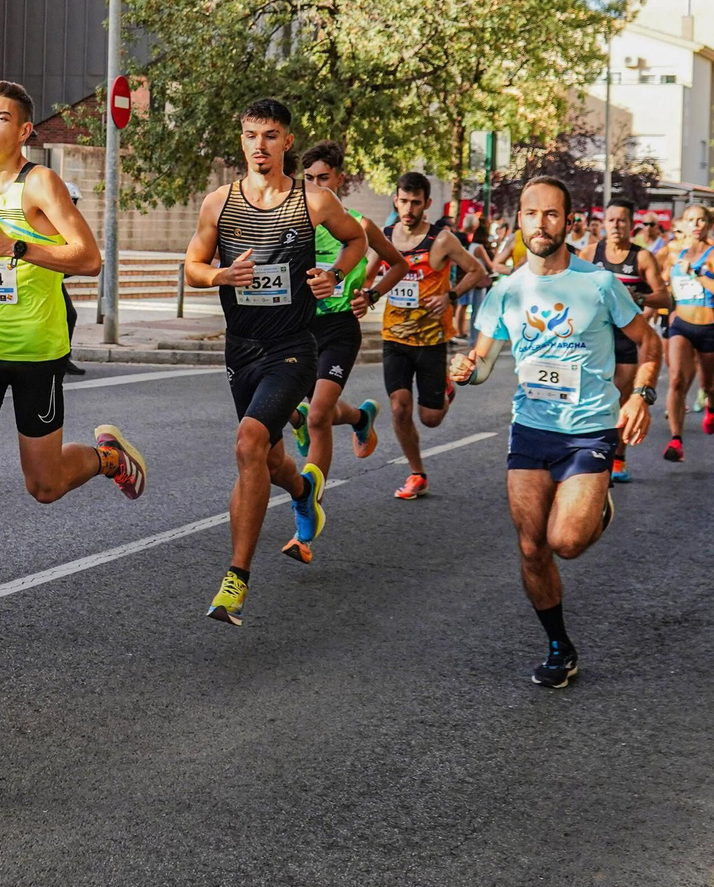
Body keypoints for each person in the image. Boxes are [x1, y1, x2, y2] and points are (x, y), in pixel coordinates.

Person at [0, 80, 147, 665]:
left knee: (43, 486)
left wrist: (20, 247)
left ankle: (108, 457)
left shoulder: (39, 183)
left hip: (37, 353)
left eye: (1, 119)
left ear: (25, 131)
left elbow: (87, 257)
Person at [450, 176, 661, 688]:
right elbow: (482, 361)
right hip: (531, 431)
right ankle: (558, 646)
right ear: (518, 220)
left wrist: (640, 395)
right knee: (530, 547)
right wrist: (465, 367)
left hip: (590, 430)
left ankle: (597, 508)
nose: (540, 224)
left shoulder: (599, 285)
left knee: (565, 541)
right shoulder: (506, 291)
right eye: (530, 214)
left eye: (551, 215)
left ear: (569, 222)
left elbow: (649, 344)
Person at [184, 98, 366, 624]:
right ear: (240, 140)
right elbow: (193, 264)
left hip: (293, 346)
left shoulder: (315, 201)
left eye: (269, 136)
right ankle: (305, 489)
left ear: (287, 141)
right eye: (249, 135)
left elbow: (355, 241)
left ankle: (236, 579)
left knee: (248, 443)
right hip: (241, 348)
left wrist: (334, 271)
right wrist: (219, 276)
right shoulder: (219, 202)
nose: (258, 146)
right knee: (267, 458)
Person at [282, 140, 407, 564]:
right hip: (297, 329)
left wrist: (370, 295)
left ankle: (306, 521)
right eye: (310, 179)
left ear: (340, 179)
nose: (316, 186)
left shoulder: (359, 224)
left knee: (317, 415)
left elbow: (400, 264)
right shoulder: (295, 220)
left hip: (338, 329)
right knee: (298, 408)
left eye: (323, 178)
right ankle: (360, 416)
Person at [374, 171, 488, 500]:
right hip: (394, 338)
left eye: (416, 203)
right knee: (398, 408)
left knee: (431, 418)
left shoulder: (441, 240)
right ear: (396, 200)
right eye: (404, 201)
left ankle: (445, 391)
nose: (409, 208)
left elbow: (477, 270)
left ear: (427, 204)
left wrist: (450, 296)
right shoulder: (385, 236)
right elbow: (367, 274)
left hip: (431, 339)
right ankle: (417, 473)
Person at [582, 198, 668, 482]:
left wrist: (637, 297)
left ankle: (617, 459)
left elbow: (664, 297)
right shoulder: (589, 253)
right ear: (603, 223)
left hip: (627, 337)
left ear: (632, 224)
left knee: (619, 401)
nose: (616, 226)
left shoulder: (641, 257)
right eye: (611, 220)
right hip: (595, 338)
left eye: (622, 220)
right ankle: (588, 452)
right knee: (591, 399)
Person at [661, 205, 714, 460]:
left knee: (706, 384)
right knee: (677, 380)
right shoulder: (674, 255)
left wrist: (699, 274)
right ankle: (676, 441)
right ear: (684, 224)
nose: (696, 224)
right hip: (681, 325)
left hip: (709, 327)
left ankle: (712, 401)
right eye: (691, 220)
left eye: (701, 220)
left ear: (708, 224)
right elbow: (664, 284)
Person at [61, 178, 87, 376]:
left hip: (53, 279)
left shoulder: (68, 224)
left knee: (69, 315)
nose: (74, 206)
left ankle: (63, 358)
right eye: (71, 201)